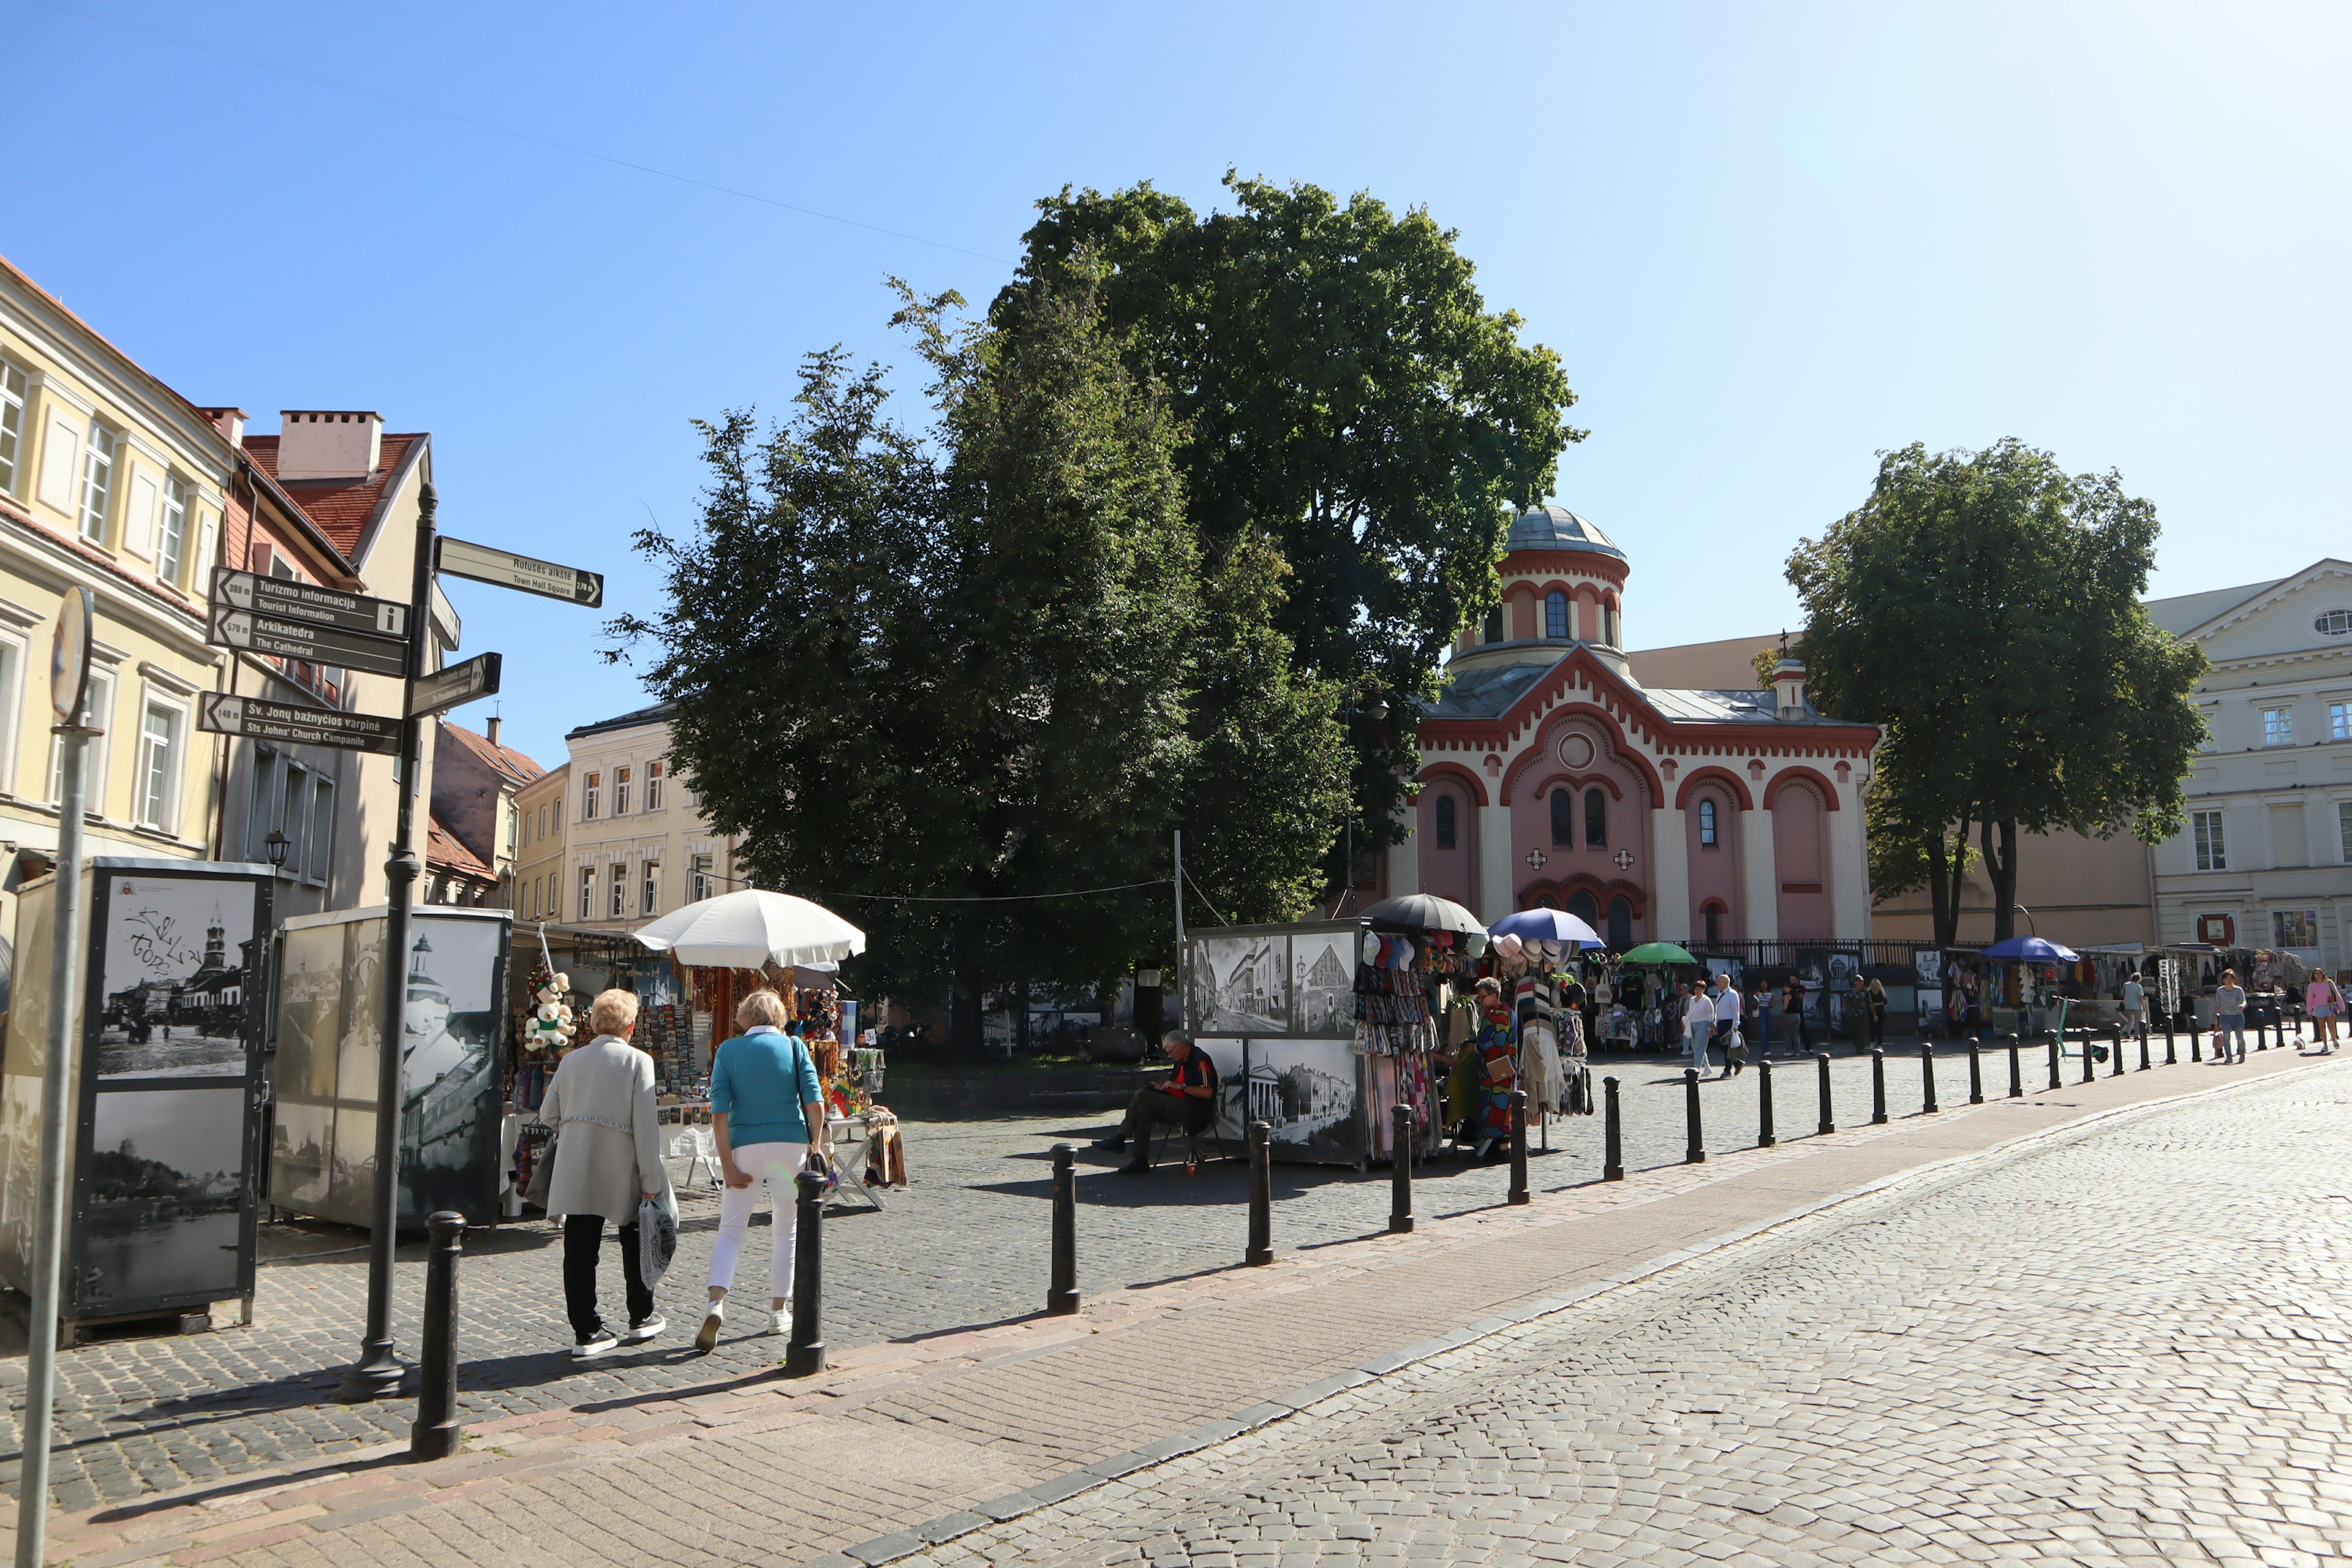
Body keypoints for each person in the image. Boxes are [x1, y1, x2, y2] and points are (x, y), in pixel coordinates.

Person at [538, 989, 669, 1357]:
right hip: (622, 1164)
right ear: (631, 1025)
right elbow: (646, 1128)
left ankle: (587, 1330)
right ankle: (641, 1316)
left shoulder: (572, 1061)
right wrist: (651, 1181)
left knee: (580, 1248)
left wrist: (579, 1129)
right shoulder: (638, 1061)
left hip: (577, 1163)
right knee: (636, 1238)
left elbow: (549, 1114)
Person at [696, 989, 827, 1354]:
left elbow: (719, 1113)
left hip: (745, 1146)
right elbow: (814, 1103)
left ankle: (716, 1304)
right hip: (789, 1143)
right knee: (786, 1228)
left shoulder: (728, 1050)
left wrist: (727, 1164)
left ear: (745, 1017)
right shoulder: (795, 1047)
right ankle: (777, 1311)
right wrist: (814, 1146)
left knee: (731, 1228)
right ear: (779, 1017)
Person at [1096, 1030, 1219, 1174]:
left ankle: (1120, 1137)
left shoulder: (1200, 1060)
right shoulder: (1180, 1063)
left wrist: (1182, 1087)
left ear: (1181, 1046)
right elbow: (1175, 1086)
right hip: (1176, 1104)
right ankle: (1140, 1161)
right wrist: (1164, 1090)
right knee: (1143, 1109)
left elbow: (1208, 1092)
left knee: (1142, 1094)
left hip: (1194, 1109)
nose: (1171, 1056)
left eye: (1171, 1052)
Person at [2213, 969, 2248, 1064]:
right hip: (2225, 1016)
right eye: (2226, 978)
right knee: (2227, 1037)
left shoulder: (2238, 990)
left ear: (2234, 980)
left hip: (2238, 1016)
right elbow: (2218, 1003)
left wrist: (2242, 1006)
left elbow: (2244, 1001)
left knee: (2239, 1037)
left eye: (2230, 978)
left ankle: (2242, 1053)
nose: (2228, 980)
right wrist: (2215, 1015)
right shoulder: (2220, 991)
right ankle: (2229, 1057)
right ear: (2223, 980)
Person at [2305, 970, 2342, 1052]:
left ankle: (2334, 1039)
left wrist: (2341, 1005)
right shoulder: (2312, 986)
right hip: (2318, 1008)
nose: (2318, 975)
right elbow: (2310, 999)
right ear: (2313, 976)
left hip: (2330, 1006)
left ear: (2323, 974)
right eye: (2316, 974)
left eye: (2320, 973)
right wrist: (2309, 1011)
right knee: (2322, 1027)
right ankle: (2325, 1045)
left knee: (2331, 1026)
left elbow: (2336, 994)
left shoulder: (2329, 982)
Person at [1684, 982, 1714, 1079]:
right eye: (1696, 989)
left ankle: (1696, 1068)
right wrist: (1685, 1021)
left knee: (1700, 1047)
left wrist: (1711, 1029)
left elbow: (1711, 1016)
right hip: (1692, 1024)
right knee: (1696, 1047)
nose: (1697, 991)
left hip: (1703, 1024)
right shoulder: (1692, 1000)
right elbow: (1690, 1012)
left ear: (1703, 990)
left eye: (1699, 989)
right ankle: (1707, 1067)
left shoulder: (1706, 1001)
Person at [1781, 973, 1809, 1055]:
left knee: (1787, 1034)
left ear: (1790, 988)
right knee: (1795, 1034)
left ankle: (1789, 1051)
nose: (1784, 989)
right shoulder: (1797, 995)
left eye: (1786, 987)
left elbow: (1785, 1007)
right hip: (1797, 1015)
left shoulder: (1788, 996)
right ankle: (1797, 1051)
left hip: (1789, 1015)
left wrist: (1781, 1009)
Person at [2120, 973, 2146, 1040]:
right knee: (2137, 1021)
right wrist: (2144, 1007)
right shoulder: (2138, 987)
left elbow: (2122, 993)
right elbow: (2140, 997)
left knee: (2130, 1020)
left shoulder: (2126, 985)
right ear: (2139, 979)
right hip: (2136, 1006)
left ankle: (2127, 1032)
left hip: (2127, 1005)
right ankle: (2136, 1035)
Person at [1865, 978, 1889, 1051]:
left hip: (1880, 1012)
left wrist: (1877, 1004)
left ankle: (1879, 1044)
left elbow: (1885, 1002)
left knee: (1880, 1028)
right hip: (1871, 1012)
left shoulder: (1881, 992)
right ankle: (1873, 1041)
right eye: (1874, 984)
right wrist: (1873, 1005)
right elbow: (1868, 1002)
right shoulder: (1869, 993)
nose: (1875, 986)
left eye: (1876, 984)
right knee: (1872, 1027)